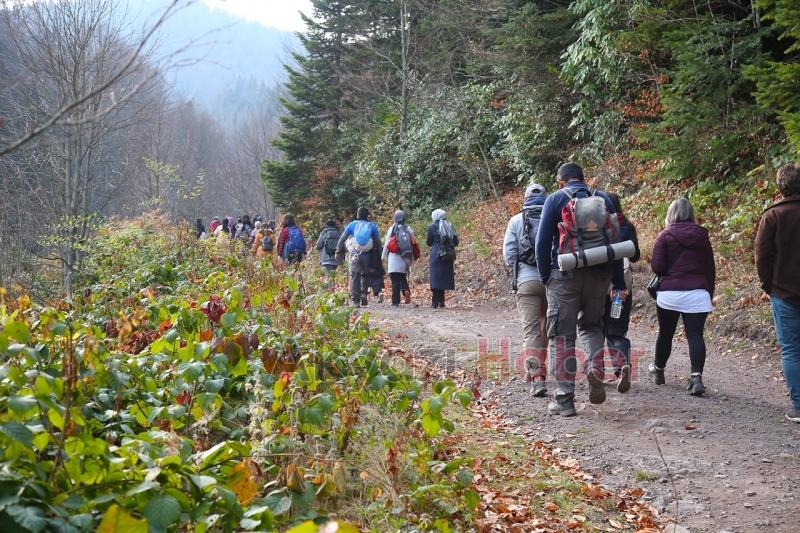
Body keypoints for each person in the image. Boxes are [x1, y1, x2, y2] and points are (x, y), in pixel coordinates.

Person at [535, 162, 626, 417]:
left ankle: (565, 399)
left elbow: (542, 244)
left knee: (562, 336)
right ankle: (595, 368)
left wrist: (547, 278)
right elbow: (616, 245)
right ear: (584, 179)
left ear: (561, 181)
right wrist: (617, 281)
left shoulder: (554, 200)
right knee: (593, 326)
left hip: (564, 274)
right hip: (600, 274)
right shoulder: (605, 199)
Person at [648, 197, 715, 396]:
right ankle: (696, 379)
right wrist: (708, 293)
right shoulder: (703, 236)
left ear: (671, 214)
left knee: (666, 333)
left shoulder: (665, 236)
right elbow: (710, 268)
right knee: (695, 335)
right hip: (697, 293)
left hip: (670, 293)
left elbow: (657, 267)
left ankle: (659, 371)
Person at [755, 163, 800, 423]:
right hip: (782, 290)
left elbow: (763, 256)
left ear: (780, 186)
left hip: (784, 291)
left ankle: (798, 405)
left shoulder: (773, 216)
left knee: (792, 349)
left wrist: (768, 285)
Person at [503, 183, 549, 396]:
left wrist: (519, 270)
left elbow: (509, 253)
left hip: (526, 280)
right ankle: (536, 369)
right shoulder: (554, 216)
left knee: (530, 330)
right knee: (545, 328)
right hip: (552, 280)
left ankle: (536, 375)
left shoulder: (515, 220)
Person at [603, 192, 641, 393]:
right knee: (616, 327)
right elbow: (635, 256)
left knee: (595, 327)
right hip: (621, 286)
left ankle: (596, 369)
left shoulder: (593, 226)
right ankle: (621, 366)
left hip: (598, 285)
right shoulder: (627, 225)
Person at [336, 207, 381, 307]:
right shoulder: (371, 225)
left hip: (355, 253)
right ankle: (364, 294)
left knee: (355, 276)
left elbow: (342, 239)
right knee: (365, 275)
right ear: (367, 216)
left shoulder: (352, 225)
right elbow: (378, 241)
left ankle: (356, 301)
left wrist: (338, 251)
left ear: (358, 215)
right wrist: (380, 254)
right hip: (367, 254)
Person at [382, 209, 415, 307]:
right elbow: (413, 243)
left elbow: (387, 243)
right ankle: (406, 291)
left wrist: (382, 256)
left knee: (395, 280)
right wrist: (411, 258)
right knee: (402, 277)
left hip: (393, 257)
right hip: (404, 257)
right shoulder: (408, 228)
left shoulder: (392, 228)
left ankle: (395, 301)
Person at [427, 209, 458, 309]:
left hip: (436, 253)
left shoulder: (431, 227)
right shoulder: (450, 225)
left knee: (435, 277)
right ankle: (442, 301)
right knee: (443, 277)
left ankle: (434, 302)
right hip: (447, 255)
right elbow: (456, 242)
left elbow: (428, 242)